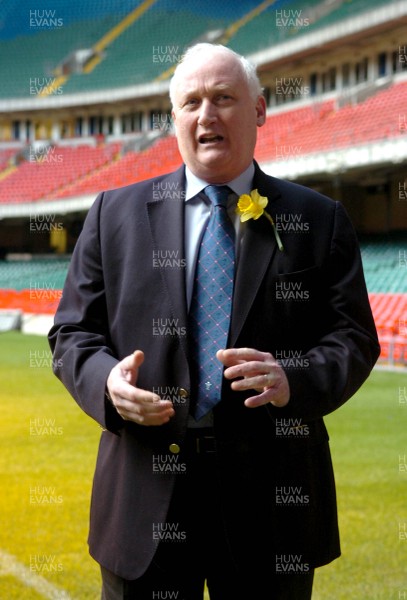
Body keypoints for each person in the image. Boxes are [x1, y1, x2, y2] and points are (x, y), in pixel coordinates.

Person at [48, 43, 380, 599]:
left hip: (273, 506)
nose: (207, 115)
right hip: (144, 503)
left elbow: (352, 339)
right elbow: (72, 333)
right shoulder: (114, 214)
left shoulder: (319, 219)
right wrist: (106, 382)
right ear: (175, 117)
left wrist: (291, 378)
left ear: (259, 109)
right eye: (192, 101)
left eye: (224, 98)